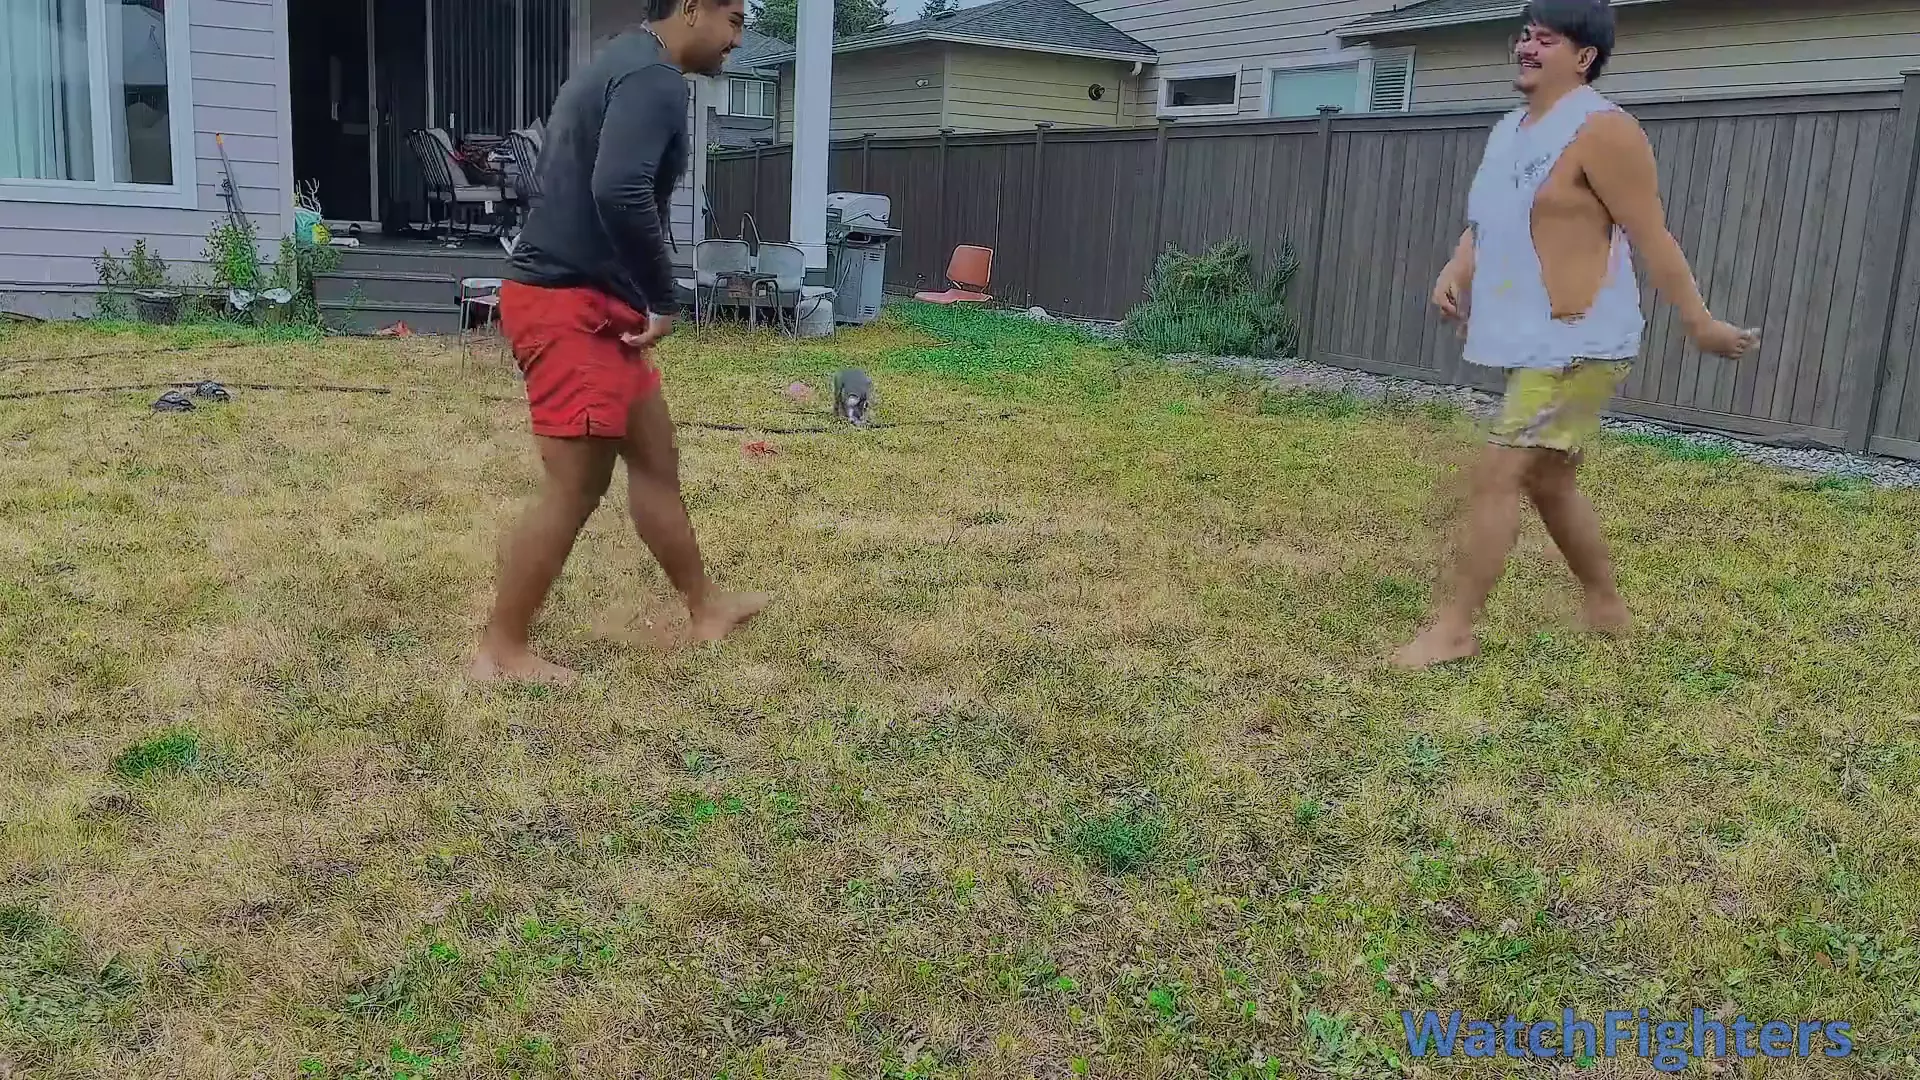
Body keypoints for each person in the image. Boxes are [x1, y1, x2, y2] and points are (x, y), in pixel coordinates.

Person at [1393, 0, 1758, 669]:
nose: (1526, 46)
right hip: (1533, 339)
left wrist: (1700, 321)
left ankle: (1455, 630)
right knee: (1551, 481)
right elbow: (1488, 219)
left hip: (1578, 342)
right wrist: (1456, 267)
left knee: (1498, 474)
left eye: (1545, 39)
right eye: (1524, 35)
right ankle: (1606, 606)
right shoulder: (1509, 130)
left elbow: (1652, 235)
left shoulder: (1603, 130)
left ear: (1584, 57)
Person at [472, 0, 765, 684]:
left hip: (600, 306)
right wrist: (662, 295)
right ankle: (500, 648)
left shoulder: (620, 59)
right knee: (576, 486)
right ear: (690, 8)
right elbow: (620, 188)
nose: (737, 39)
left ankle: (705, 607)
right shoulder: (652, 77)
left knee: (656, 457)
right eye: (733, 19)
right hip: (568, 305)